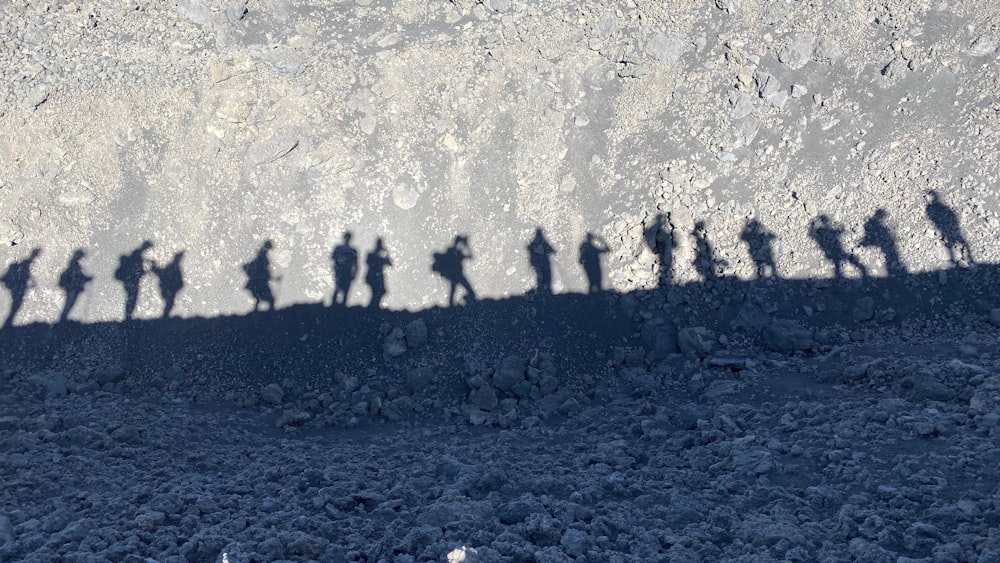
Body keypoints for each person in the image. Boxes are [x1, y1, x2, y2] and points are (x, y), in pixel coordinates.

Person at [1, 248, 41, 328]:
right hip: (17, 288)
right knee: (15, 305)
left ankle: (9, 320)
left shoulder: (19, 265)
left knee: (15, 304)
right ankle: (8, 321)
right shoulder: (18, 266)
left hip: (18, 287)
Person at [432, 235, 476, 306]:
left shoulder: (456, 252)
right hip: (456, 275)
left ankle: (457, 305)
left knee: (454, 293)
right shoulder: (451, 251)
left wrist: (466, 245)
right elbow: (470, 256)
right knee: (455, 293)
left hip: (456, 275)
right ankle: (455, 307)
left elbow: (470, 257)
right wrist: (466, 245)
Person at [115, 241, 152, 321]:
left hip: (131, 280)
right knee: (132, 298)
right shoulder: (137, 254)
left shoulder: (138, 254)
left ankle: (128, 316)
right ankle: (128, 316)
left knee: (131, 298)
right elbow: (135, 269)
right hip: (131, 281)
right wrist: (144, 271)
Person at [58, 249, 93, 323]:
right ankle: (63, 320)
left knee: (69, 305)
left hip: (72, 288)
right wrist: (86, 279)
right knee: (69, 304)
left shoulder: (74, 264)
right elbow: (77, 276)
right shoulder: (74, 265)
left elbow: (79, 276)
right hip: (72, 288)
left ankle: (63, 319)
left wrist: (86, 279)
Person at [243, 241, 276, 311]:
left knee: (259, 299)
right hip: (260, 282)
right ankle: (270, 315)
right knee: (269, 299)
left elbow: (264, 271)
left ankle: (259, 314)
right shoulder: (262, 257)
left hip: (259, 282)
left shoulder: (261, 256)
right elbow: (263, 270)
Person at [331, 232, 359, 306]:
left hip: (347, 272)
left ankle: (342, 307)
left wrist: (355, 274)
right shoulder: (339, 248)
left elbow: (356, 264)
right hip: (340, 271)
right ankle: (333, 305)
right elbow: (333, 258)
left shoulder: (352, 250)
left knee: (346, 290)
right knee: (338, 288)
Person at [527, 228, 556, 295]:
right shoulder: (541, 242)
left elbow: (529, 247)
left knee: (542, 276)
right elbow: (550, 249)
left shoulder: (536, 242)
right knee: (545, 276)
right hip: (543, 264)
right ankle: (544, 289)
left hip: (539, 264)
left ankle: (543, 289)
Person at [365, 238, 392, 309]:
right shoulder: (371, 254)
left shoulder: (379, 256)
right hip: (373, 276)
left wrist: (386, 253)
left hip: (378, 277)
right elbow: (367, 262)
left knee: (379, 292)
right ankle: (373, 307)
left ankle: (373, 306)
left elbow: (389, 263)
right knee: (377, 292)